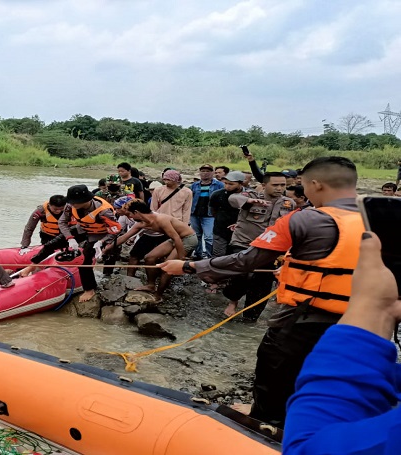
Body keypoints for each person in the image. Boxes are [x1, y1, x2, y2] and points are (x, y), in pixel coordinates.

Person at [159, 156, 364, 428]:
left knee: (275, 369)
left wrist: (188, 265)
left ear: (315, 184)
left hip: (305, 317)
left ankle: (265, 422)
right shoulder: (382, 217)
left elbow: (246, 260)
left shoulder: (304, 219)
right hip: (364, 320)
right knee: (333, 374)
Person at [283, 232, 401, 454]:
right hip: (334, 319)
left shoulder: (304, 221)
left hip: (341, 323)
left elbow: (308, 447)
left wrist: (375, 309)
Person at [219, 172, 296, 320]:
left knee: (263, 282)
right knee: (242, 274)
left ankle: (251, 316)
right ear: (264, 185)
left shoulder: (289, 203)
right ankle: (233, 301)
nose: (279, 188)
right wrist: (248, 202)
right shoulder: (251, 195)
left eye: (283, 185)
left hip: (271, 247)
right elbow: (233, 199)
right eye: (275, 185)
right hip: (244, 243)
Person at [109, 199, 197, 303]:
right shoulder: (142, 223)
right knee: (149, 258)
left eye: (130, 214)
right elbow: (124, 237)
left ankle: (158, 296)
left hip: (188, 239)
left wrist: (181, 259)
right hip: (174, 239)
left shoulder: (161, 219)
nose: (130, 217)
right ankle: (151, 285)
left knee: (167, 268)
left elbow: (177, 238)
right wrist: (107, 249)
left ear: (136, 212)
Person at [57, 185, 121, 302]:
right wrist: (70, 238)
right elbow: (62, 222)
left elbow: (115, 230)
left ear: (85, 200)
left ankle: (108, 275)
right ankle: (89, 288)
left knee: (110, 255)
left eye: (74, 203)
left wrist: (102, 242)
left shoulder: (104, 211)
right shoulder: (70, 206)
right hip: (88, 232)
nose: (71, 205)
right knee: (84, 260)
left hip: (105, 233)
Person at [189, 164, 225, 259]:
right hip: (195, 214)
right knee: (196, 236)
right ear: (200, 173)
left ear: (212, 173)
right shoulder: (194, 185)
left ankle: (210, 256)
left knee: (209, 237)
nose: (205, 173)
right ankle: (198, 254)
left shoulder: (219, 185)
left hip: (210, 215)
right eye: (203, 171)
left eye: (208, 171)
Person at [208, 171, 245, 258]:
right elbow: (213, 211)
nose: (227, 186)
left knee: (237, 256)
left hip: (240, 231)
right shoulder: (217, 194)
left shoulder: (249, 195)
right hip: (220, 229)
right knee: (218, 255)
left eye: (231, 184)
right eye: (226, 183)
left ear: (241, 184)